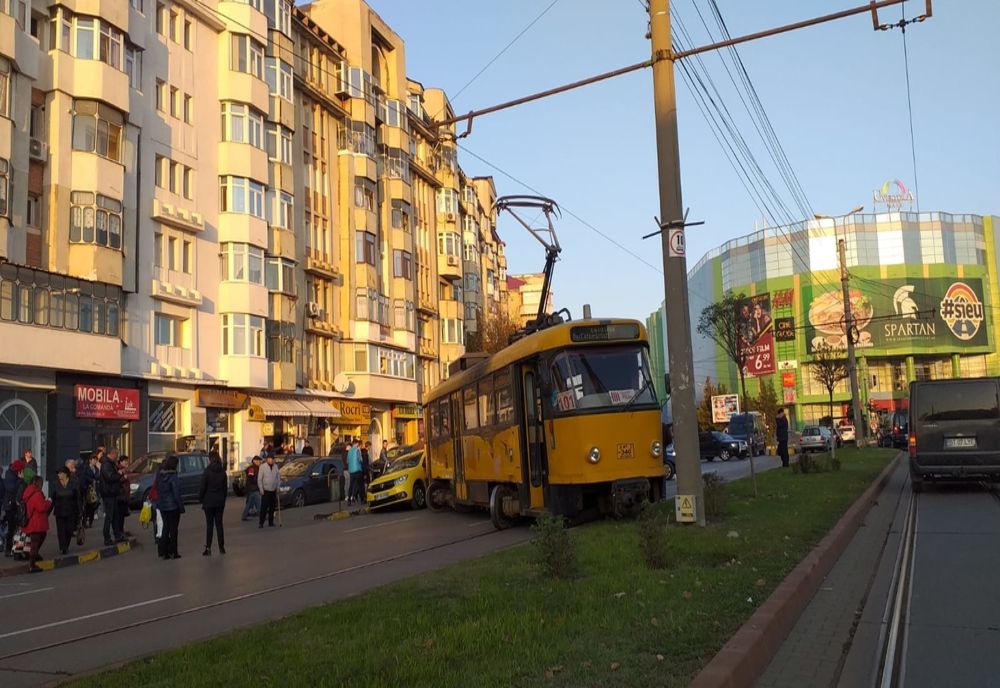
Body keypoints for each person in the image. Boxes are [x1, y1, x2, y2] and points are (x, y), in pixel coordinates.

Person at [154, 455, 184, 559]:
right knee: (174, 530)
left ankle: (164, 552)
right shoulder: (173, 476)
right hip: (173, 506)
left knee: (165, 528)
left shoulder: (160, 476)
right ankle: (174, 552)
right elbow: (176, 493)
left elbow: (158, 489)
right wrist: (181, 506)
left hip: (162, 505)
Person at [199, 452, 227, 555]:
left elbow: (202, 487)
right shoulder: (222, 471)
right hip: (219, 501)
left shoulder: (207, 471)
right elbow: (225, 488)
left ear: (210, 459)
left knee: (209, 525)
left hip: (208, 502)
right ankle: (221, 547)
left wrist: (201, 498)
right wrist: (223, 499)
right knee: (219, 525)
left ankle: (208, 548)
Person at [23, 475, 52, 571]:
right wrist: (48, 502)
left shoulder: (29, 492)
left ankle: (34, 557)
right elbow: (42, 507)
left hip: (33, 522)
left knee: (39, 539)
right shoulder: (37, 494)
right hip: (37, 523)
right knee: (35, 543)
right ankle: (32, 565)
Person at [50, 468, 80, 555]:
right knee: (61, 530)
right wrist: (47, 512)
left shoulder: (73, 484)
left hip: (71, 511)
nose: (58, 475)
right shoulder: (55, 484)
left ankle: (66, 544)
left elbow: (78, 498)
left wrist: (80, 512)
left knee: (69, 530)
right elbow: (53, 499)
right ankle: (63, 547)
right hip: (59, 511)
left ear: (65, 474)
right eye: (58, 473)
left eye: (60, 473)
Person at [99, 448, 124, 546]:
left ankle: (117, 535)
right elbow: (110, 477)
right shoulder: (106, 464)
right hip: (108, 493)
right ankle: (107, 538)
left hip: (112, 493)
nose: (117, 456)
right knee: (109, 516)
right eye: (116, 454)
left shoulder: (110, 463)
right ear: (112, 454)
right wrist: (119, 474)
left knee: (115, 516)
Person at [2, 459, 25, 556]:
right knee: (11, 528)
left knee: (16, 528)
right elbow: (12, 489)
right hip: (10, 505)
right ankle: (8, 549)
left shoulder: (13, 475)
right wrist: (20, 479)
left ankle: (15, 548)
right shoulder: (9, 475)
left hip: (15, 504)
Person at [258, 454, 280, 528]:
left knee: (272, 507)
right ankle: (261, 522)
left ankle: (271, 522)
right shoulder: (262, 467)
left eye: (272, 459)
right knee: (264, 507)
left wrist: (278, 487)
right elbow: (259, 479)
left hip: (273, 490)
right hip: (266, 490)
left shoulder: (275, 467)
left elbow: (278, 478)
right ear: (267, 459)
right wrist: (261, 489)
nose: (271, 460)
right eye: (269, 459)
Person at [81, 454, 100, 528]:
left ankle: (90, 522)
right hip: (87, 489)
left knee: (93, 506)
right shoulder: (86, 468)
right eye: (94, 460)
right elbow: (84, 477)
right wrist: (91, 480)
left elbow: (98, 477)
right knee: (86, 506)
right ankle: (85, 521)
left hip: (95, 490)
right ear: (90, 460)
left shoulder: (97, 469)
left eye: (96, 460)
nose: (95, 461)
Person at [115, 456, 131, 540]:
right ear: (120, 462)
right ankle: (119, 532)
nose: (126, 463)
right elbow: (116, 481)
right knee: (120, 516)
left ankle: (121, 531)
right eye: (124, 461)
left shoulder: (124, 470)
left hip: (124, 496)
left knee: (122, 516)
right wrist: (123, 478)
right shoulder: (119, 470)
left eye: (127, 461)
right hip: (120, 496)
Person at [241, 456, 261, 521]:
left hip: (253, 488)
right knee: (258, 503)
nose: (259, 462)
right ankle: (262, 515)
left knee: (249, 503)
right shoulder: (252, 468)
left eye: (259, 461)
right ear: (254, 461)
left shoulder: (256, 468)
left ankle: (244, 515)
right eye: (258, 461)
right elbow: (250, 478)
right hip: (253, 488)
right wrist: (257, 481)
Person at [347, 440, 363, 505]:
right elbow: (360, 460)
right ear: (356, 444)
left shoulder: (349, 451)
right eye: (357, 444)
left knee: (351, 486)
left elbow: (347, 461)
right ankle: (362, 499)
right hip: (357, 470)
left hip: (351, 471)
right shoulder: (357, 450)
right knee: (360, 485)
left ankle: (349, 500)